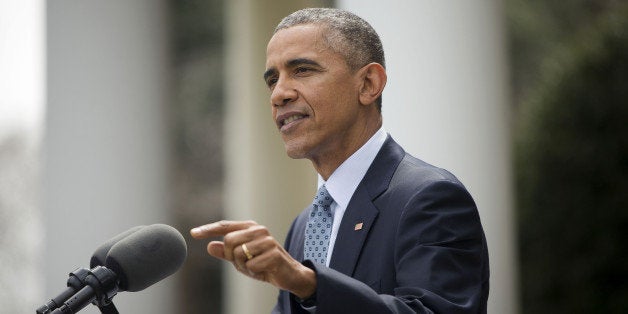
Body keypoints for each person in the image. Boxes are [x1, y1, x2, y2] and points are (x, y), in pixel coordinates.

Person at [191, 8, 489, 313]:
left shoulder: (430, 198)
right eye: (272, 80)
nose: (279, 94)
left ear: (368, 84)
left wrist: (310, 285)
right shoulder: (305, 224)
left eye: (303, 70)